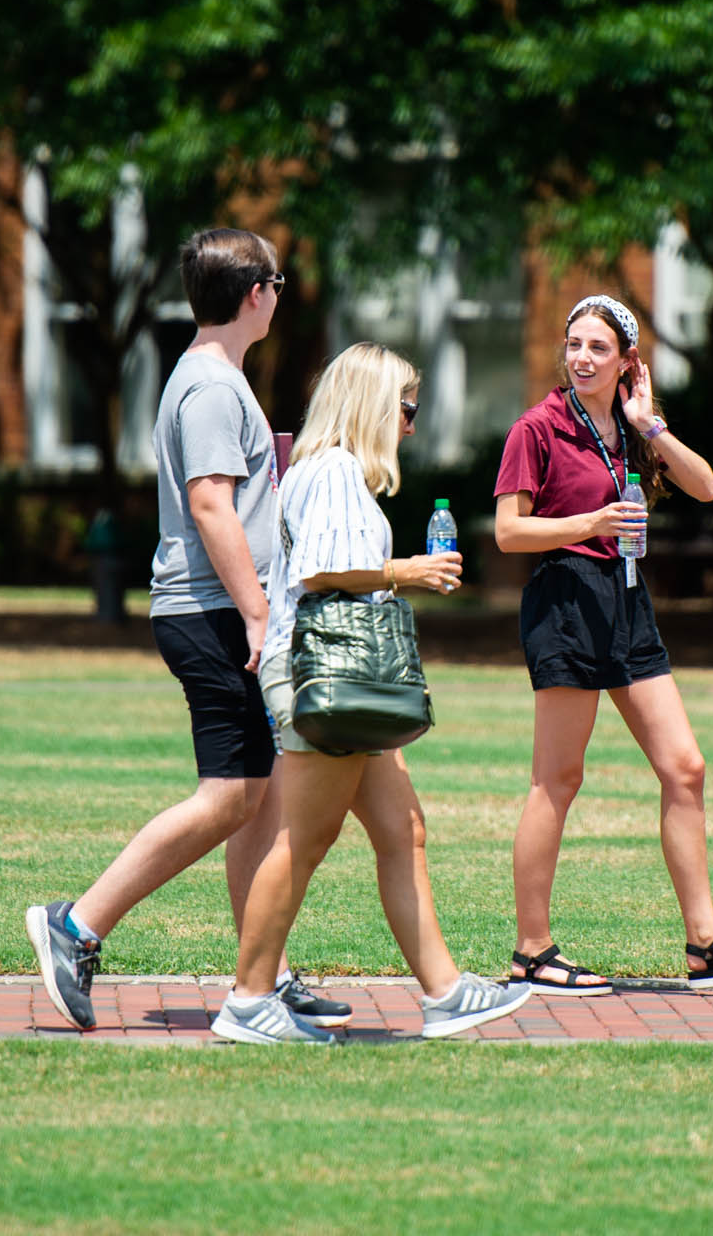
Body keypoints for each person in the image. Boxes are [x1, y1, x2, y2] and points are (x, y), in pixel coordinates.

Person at [26, 229, 344, 1030]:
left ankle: (259, 972)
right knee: (231, 794)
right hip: (213, 612)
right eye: (276, 280)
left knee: (258, 798)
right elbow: (209, 503)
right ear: (253, 296)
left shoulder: (218, 379)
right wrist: (258, 611)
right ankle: (76, 925)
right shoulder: (209, 386)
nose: (279, 292)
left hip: (218, 608)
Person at [212, 344, 534, 1043]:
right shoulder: (329, 471)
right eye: (406, 408)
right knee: (305, 838)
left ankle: (446, 992)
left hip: (344, 676)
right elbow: (327, 571)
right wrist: (407, 571)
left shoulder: (331, 473)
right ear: (371, 404)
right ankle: (248, 1001)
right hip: (328, 675)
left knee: (402, 829)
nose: (411, 425)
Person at [491, 295, 713, 994]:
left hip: (626, 600)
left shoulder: (631, 430)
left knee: (685, 767)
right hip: (565, 598)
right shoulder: (537, 428)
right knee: (558, 780)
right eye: (574, 345)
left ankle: (706, 943)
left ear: (627, 362)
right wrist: (589, 519)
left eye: (599, 348)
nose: (582, 358)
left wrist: (649, 424)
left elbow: (707, 486)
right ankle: (532, 950)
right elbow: (508, 533)